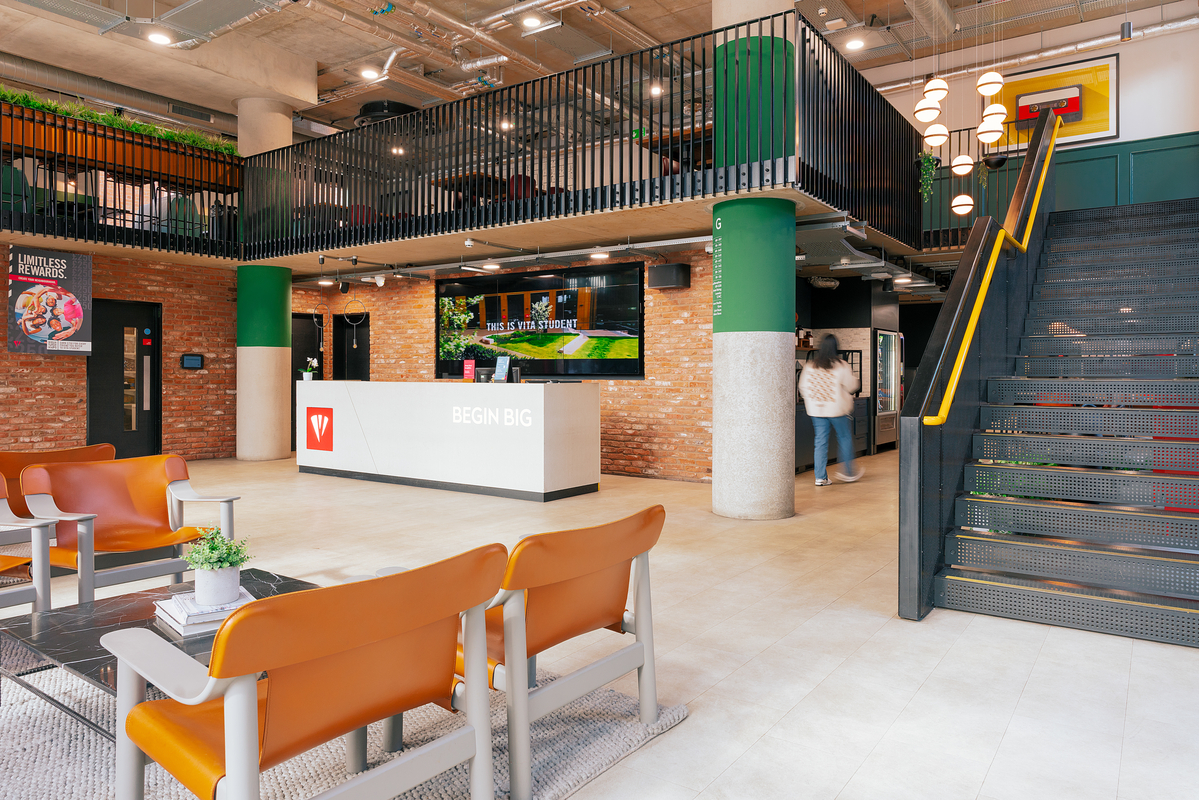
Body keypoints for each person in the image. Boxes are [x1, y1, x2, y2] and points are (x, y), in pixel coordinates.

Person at [799, 334, 863, 486]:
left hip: (817, 410)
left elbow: (802, 387)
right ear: (836, 348)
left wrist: (814, 399)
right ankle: (848, 472)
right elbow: (852, 386)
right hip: (837, 409)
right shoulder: (841, 365)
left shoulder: (810, 366)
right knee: (844, 438)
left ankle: (820, 477)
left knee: (820, 442)